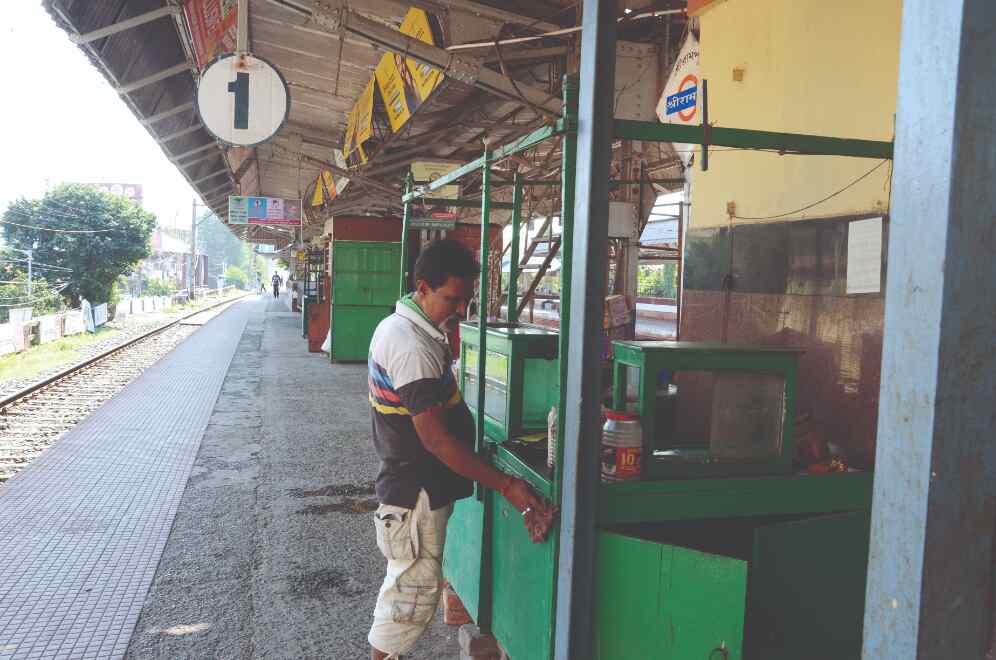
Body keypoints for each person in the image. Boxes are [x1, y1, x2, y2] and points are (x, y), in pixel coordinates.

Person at [366, 239, 556, 660]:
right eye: (450, 298)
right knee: (408, 600)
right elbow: (435, 440)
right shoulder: (411, 346)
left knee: (407, 593)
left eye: (464, 300)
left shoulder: (409, 329)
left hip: (414, 488)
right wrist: (507, 484)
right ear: (422, 288)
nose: (457, 309)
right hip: (415, 494)